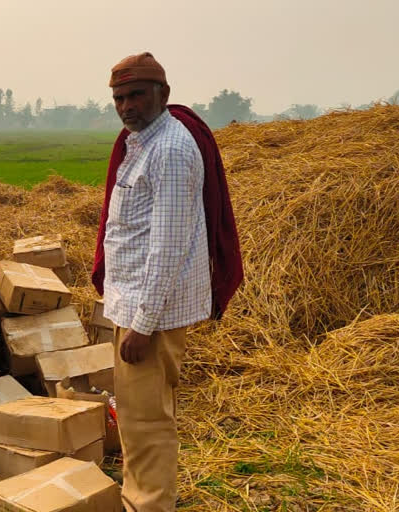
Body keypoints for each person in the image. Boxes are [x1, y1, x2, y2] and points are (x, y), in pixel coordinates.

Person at [91, 52, 243, 511]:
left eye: (136, 95)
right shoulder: (141, 142)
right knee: (139, 419)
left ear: (164, 95)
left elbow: (168, 248)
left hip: (150, 313)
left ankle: (150, 504)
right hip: (135, 303)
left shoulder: (172, 151)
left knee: (148, 423)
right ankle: (138, 498)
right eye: (119, 97)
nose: (126, 105)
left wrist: (143, 324)